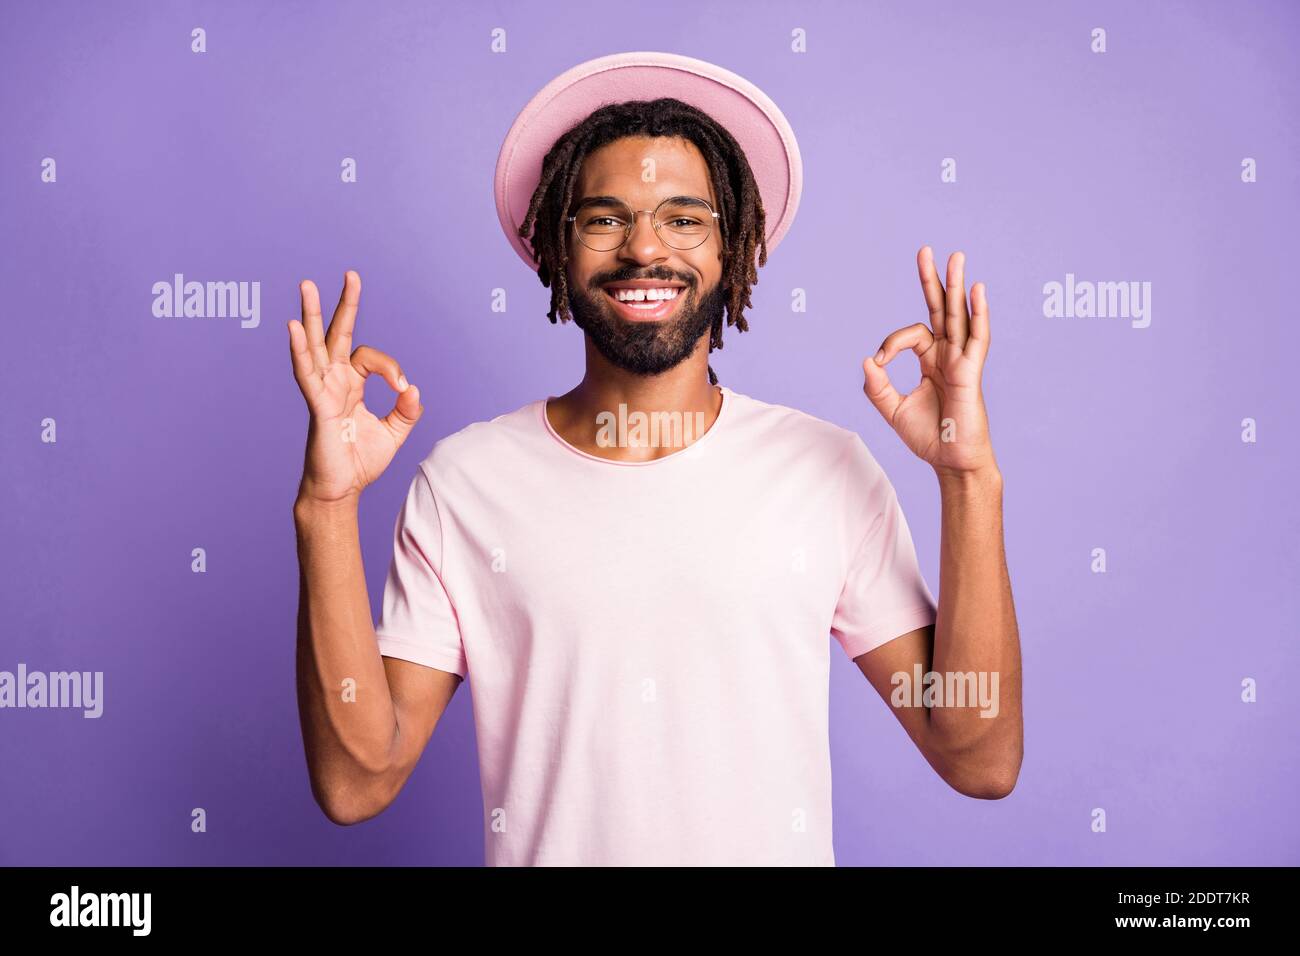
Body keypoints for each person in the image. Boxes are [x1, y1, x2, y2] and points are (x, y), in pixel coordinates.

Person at [289, 53, 1022, 866]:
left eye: (683, 218)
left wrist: (968, 479)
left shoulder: (826, 470)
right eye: (603, 218)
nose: (644, 249)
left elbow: (979, 758)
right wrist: (325, 509)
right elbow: (358, 783)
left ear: (735, 249)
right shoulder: (464, 484)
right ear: (558, 254)